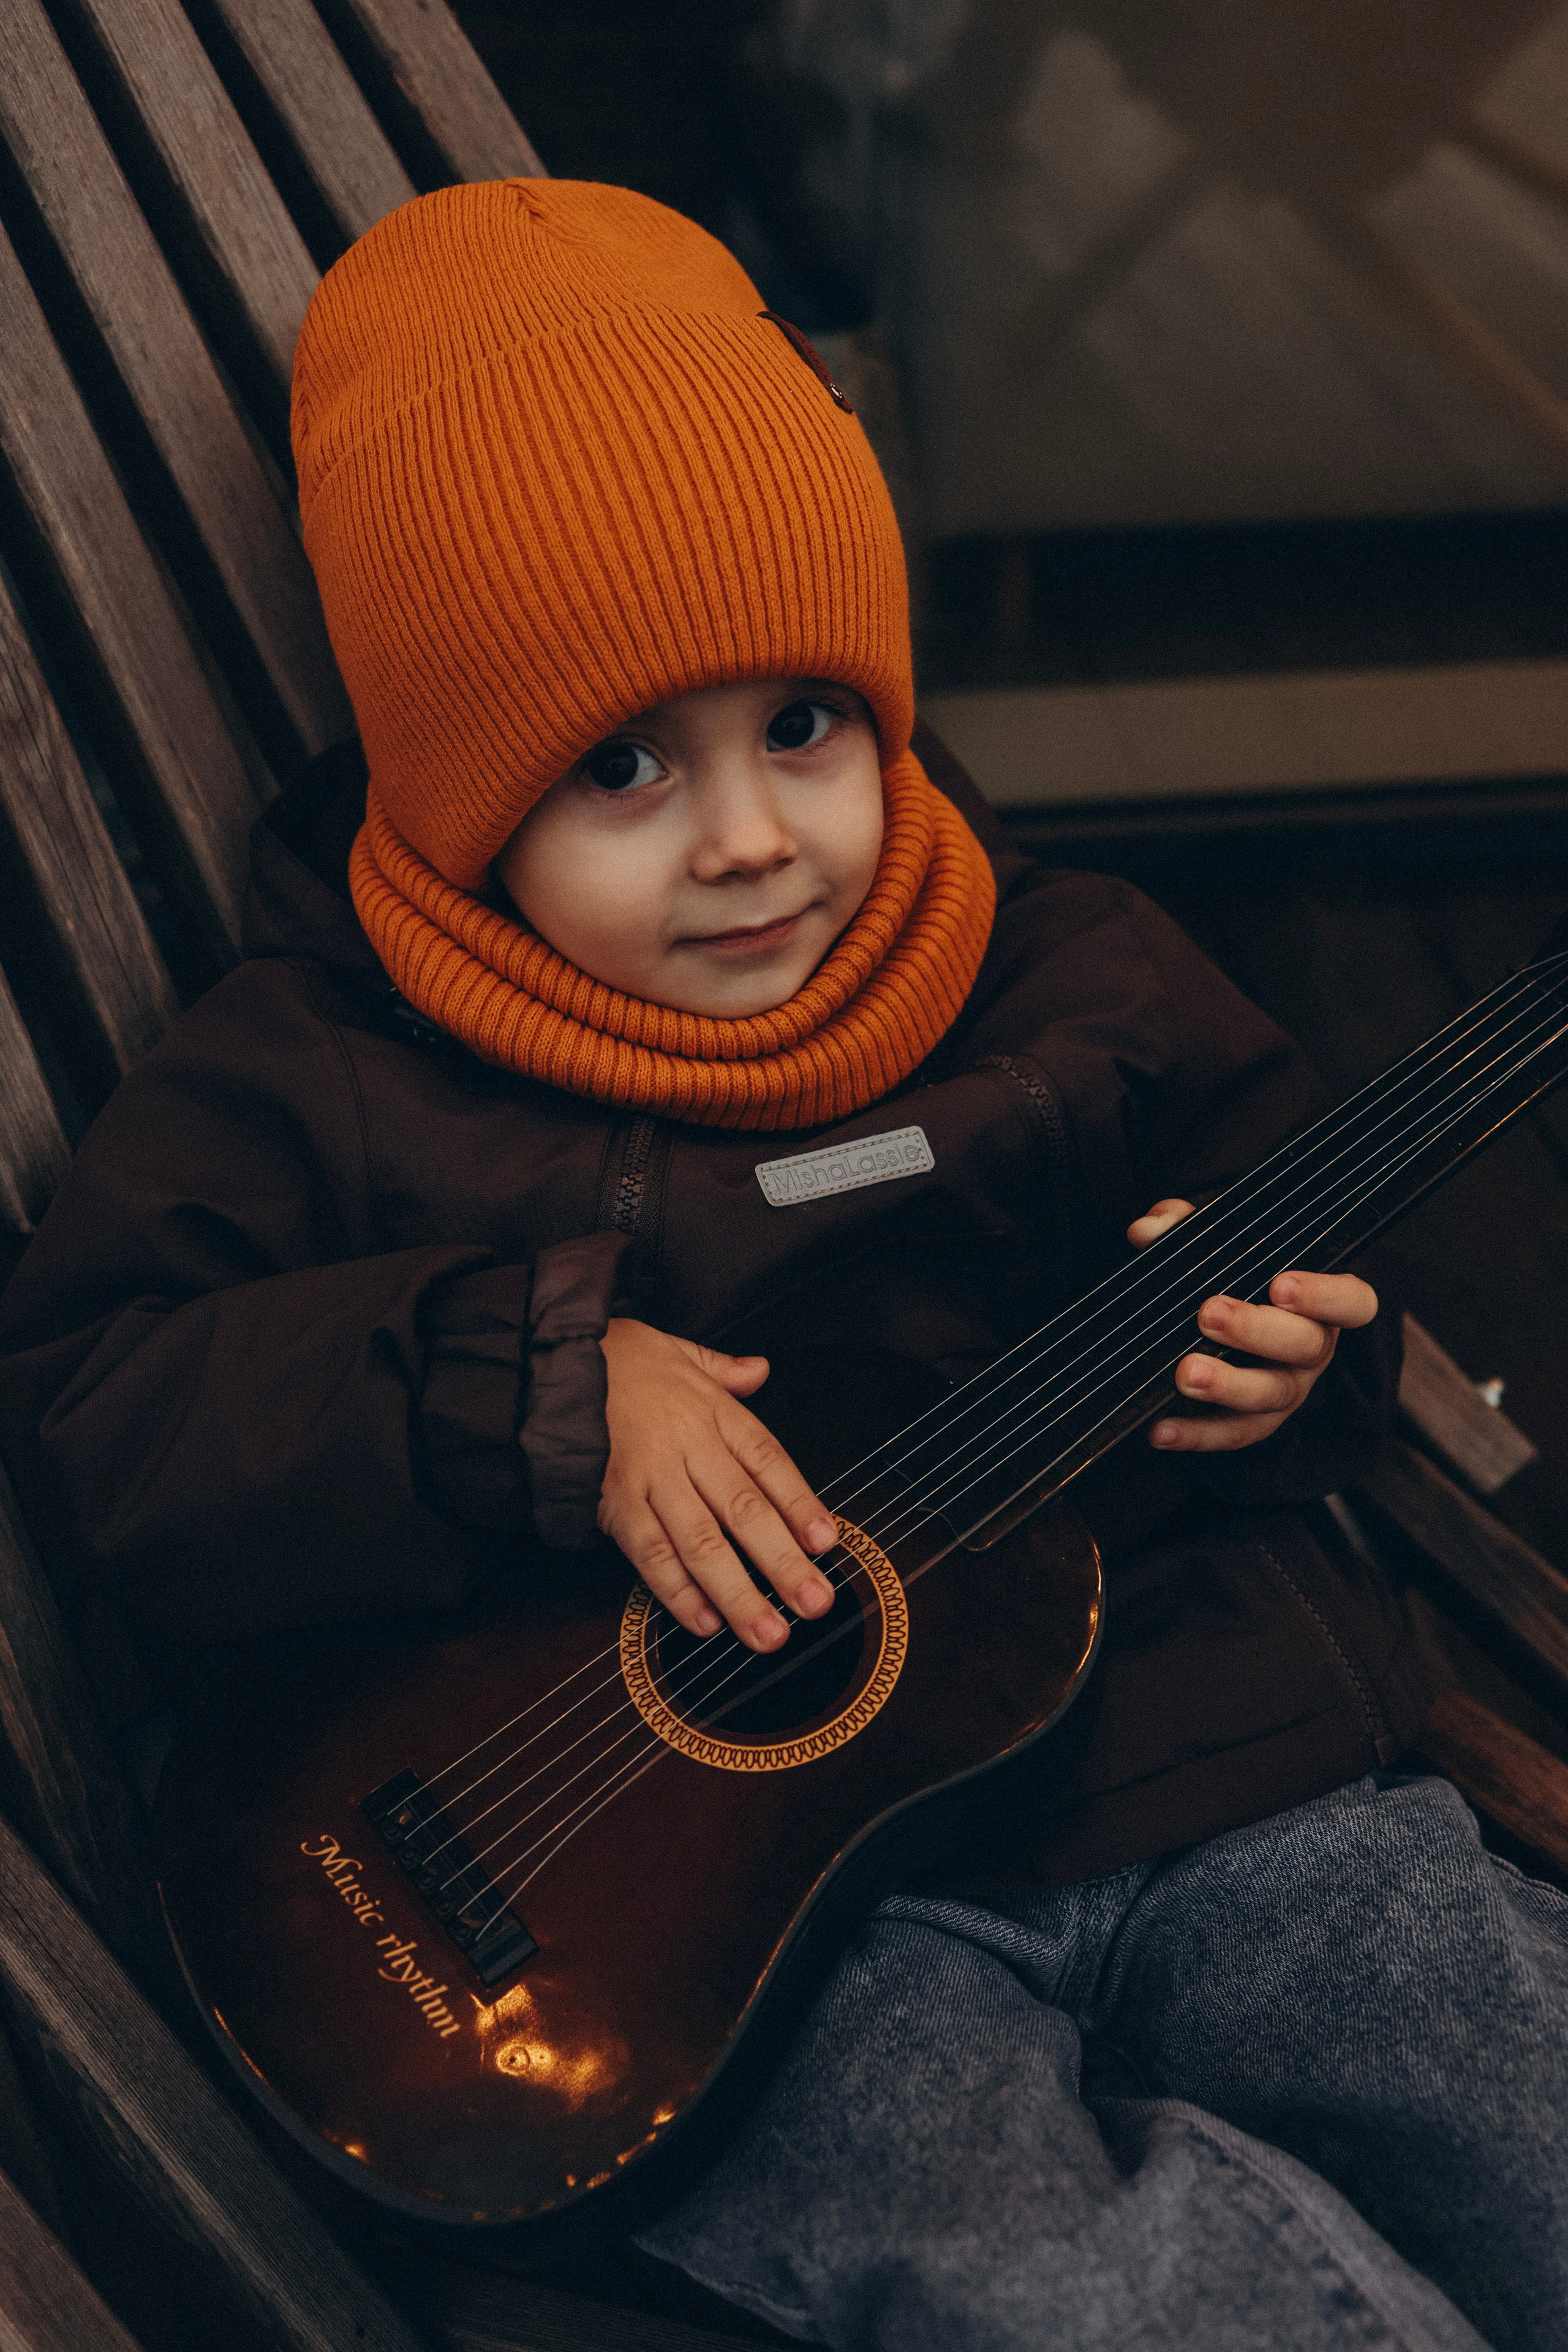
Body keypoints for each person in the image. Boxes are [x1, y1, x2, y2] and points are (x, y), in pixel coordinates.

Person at [0, 180, 1563, 2352]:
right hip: (746, 1931)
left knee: (1518, 2098)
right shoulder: (325, 1080)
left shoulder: (1067, 971)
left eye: (804, 725)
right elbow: (114, 1409)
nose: (746, 836)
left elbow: (1313, 1209)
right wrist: (545, 1387)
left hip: (1229, 1767)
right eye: (624, 763)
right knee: (1111, 2298)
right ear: (461, 794)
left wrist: (1311, 1349)